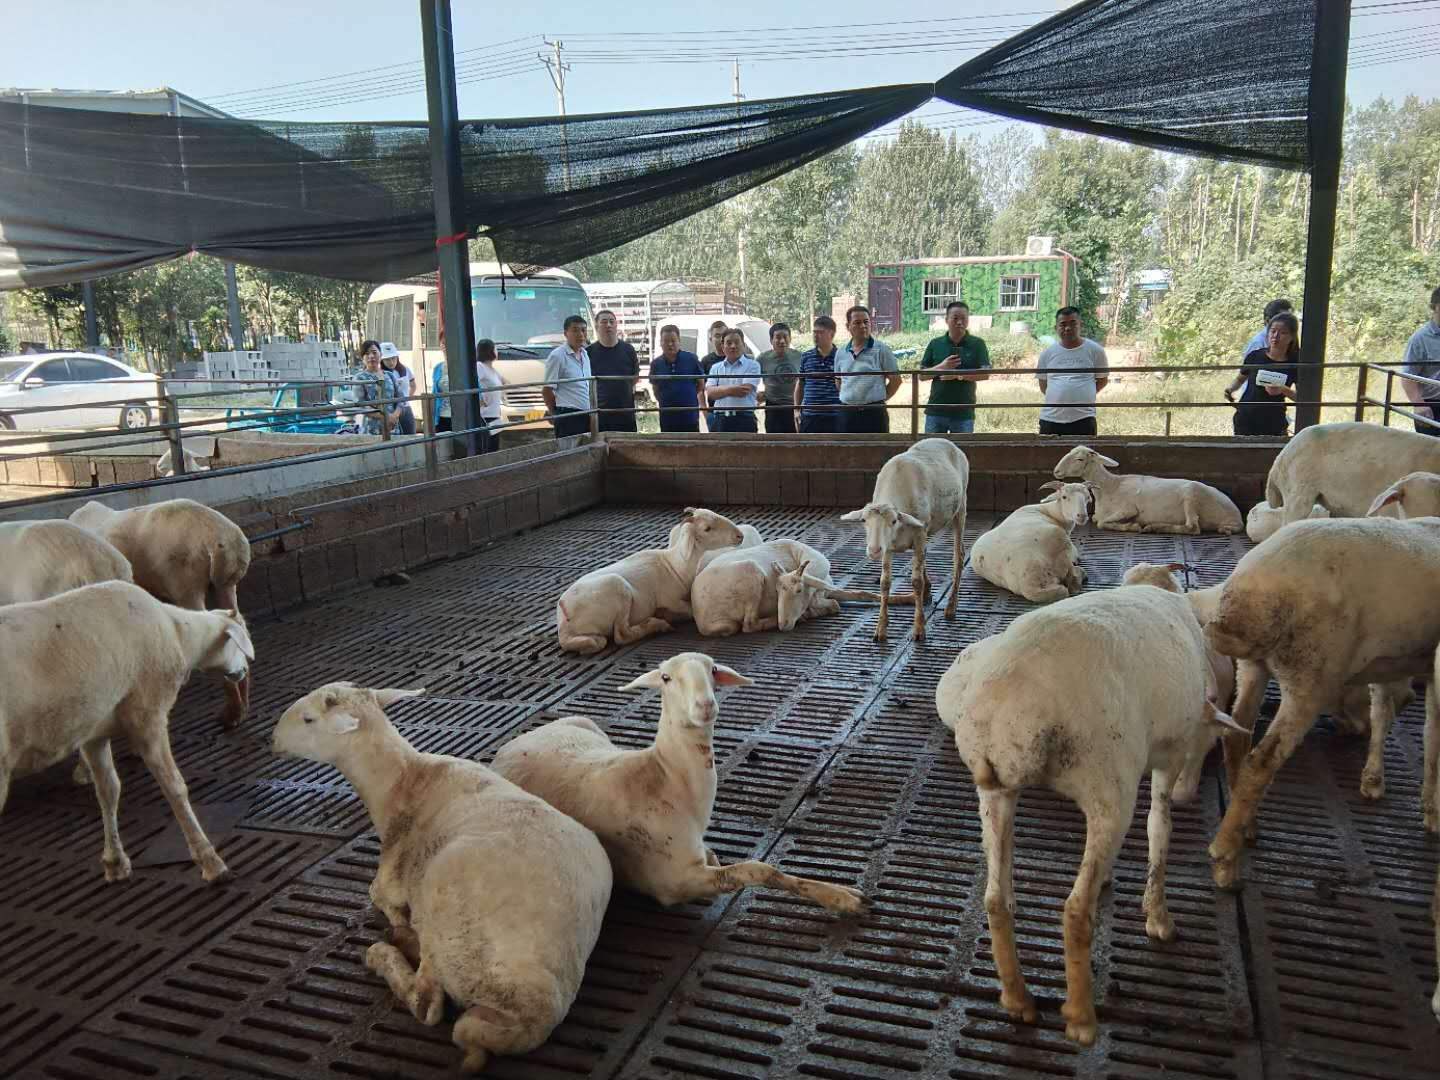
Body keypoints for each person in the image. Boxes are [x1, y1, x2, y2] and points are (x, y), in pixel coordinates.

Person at [919, 300, 990, 434]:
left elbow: (985, 374)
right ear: (946, 320)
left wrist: (959, 375)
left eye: (964, 318)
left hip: (963, 412)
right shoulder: (935, 344)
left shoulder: (978, 344)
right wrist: (942, 367)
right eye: (955, 318)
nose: (959, 322)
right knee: (932, 452)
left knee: (961, 452)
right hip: (936, 411)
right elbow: (922, 375)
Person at [1036, 307, 1109, 437]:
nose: (1068, 328)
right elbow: (1043, 386)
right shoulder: (1047, 354)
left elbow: (1102, 380)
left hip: (1083, 419)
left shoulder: (1096, 351)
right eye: (1063, 324)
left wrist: (1083, 395)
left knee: (1083, 456)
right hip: (1051, 419)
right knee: (1049, 456)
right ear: (1056, 328)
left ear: (1081, 325)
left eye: (1073, 323)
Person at [1224, 311, 1299, 437]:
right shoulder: (1255, 356)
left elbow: (1302, 399)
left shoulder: (1295, 363)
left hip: (1274, 422)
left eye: (1283, 332)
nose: (1276, 336)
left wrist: (1283, 389)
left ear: (1292, 337)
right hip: (1245, 419)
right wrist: (1230, 390)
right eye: (1273, 331)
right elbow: (1240, 379)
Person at [834, 305, 901, 433]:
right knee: (847, 451)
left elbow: (896, 381)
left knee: (878, 450)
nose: (863, 326)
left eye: (866, 322)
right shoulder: (841, 352)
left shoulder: (881, 349)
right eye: (857, 323)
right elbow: (838, 382)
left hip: (874, 414)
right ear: (848, 326)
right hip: (847, 413)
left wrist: (878, 400)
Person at [587, 309, 639, 433]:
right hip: (600, 415)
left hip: (626, 413)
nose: (608, 325)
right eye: (604, 322)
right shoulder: (588, 352)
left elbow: (635, 377)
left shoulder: (628, 350)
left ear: (616, 325)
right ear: (596, 326)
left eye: (611, 321)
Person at [543, 314, 593, 439]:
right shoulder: (558, 356)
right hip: (568, 415)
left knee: (585, 453)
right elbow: (547, 390)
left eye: (583, 330)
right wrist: (555, 414)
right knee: (569, 454)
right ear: (565, 333)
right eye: (575, 330)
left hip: (586, 413)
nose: (580, 334)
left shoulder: (585, 354)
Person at [705, 328, 764, 433]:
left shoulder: (753, 365)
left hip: (744, 418)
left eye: (737, 342)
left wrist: (719, 390)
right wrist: (732, 389)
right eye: (729, 343)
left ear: (744, 345)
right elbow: (710, 394)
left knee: (746, 449)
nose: (733, 346)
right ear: (723, 347)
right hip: (720, 418)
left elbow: (744, 391)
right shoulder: (715, 368)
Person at [649, 324, 705, 433]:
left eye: (673, 340)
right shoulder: (655, 364)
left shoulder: (692, 359)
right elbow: (655, 389)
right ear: (661, 343)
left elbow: (701, 384)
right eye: (666, 341)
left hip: (689, 416)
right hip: (667, 417)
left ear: (679, 341)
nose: (670, 344)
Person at [1401, 285, 1440, 436]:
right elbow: (1408, 376)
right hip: (1432, 407)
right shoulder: (1420, 339)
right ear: (1434, 307)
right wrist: (1419, 404)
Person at [796, 315, 842, 434]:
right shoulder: (806, 356)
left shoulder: (841, 356)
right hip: (810, 416)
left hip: (835, 416)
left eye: (820, 332)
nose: (816, 336)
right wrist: (796, 410)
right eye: (814, 332)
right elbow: (800, 384)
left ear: (831, 334)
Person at [757, 322, 802, 434]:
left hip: (794, 406)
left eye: (785, 337)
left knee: (795, 442)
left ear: (790, 338)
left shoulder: (800, 357)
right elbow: (751, 379)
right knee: (774, 442)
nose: (782, 341)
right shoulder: (762, 359)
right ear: (771, 340)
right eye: (778, 337)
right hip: (773, 407)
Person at [353, 339, 393, 436]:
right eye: (367, 354)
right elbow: (361, 404)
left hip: (392, 426)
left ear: (380, 355)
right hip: (371, 429)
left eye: (374, 352)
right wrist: (384, 417)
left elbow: (401, 398)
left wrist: (395, 415)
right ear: (363, 358)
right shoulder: (359, 378)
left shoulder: (389, 375)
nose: (371, 356)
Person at [379, 342, 417, 435]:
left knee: (410, 435)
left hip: (405, 408)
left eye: (393, 358)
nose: (391, 362)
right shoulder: (381, 374)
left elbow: (413, 385)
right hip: (390, 411)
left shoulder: (405, 369)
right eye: (387, 359)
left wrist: (407, 398)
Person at [475, 338, 505, 452]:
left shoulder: (492, 369)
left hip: (495, 413)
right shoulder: (480, 366)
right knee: (487, 446)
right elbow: (474, 382)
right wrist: (480, 398)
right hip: (485, 415)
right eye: (495, 348)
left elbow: (504, 381)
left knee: (494, 445)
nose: (497, 351)